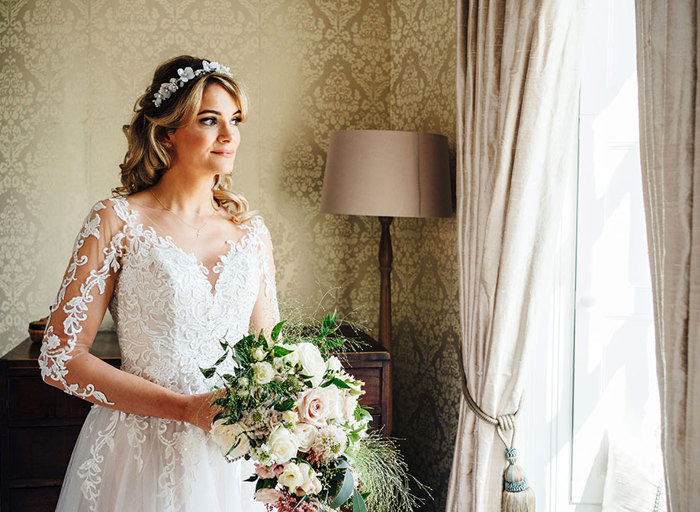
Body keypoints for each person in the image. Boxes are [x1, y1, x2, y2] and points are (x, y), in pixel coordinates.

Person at [38, 55, 276, 511]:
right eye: (210, 120)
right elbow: (60, 359)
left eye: (235, 120)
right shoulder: (116, 220)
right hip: (138, 454)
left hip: (233, 459)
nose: (229, 135)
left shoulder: (252, 234)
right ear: (167, 131)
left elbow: (267, 357)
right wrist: (185, 409)